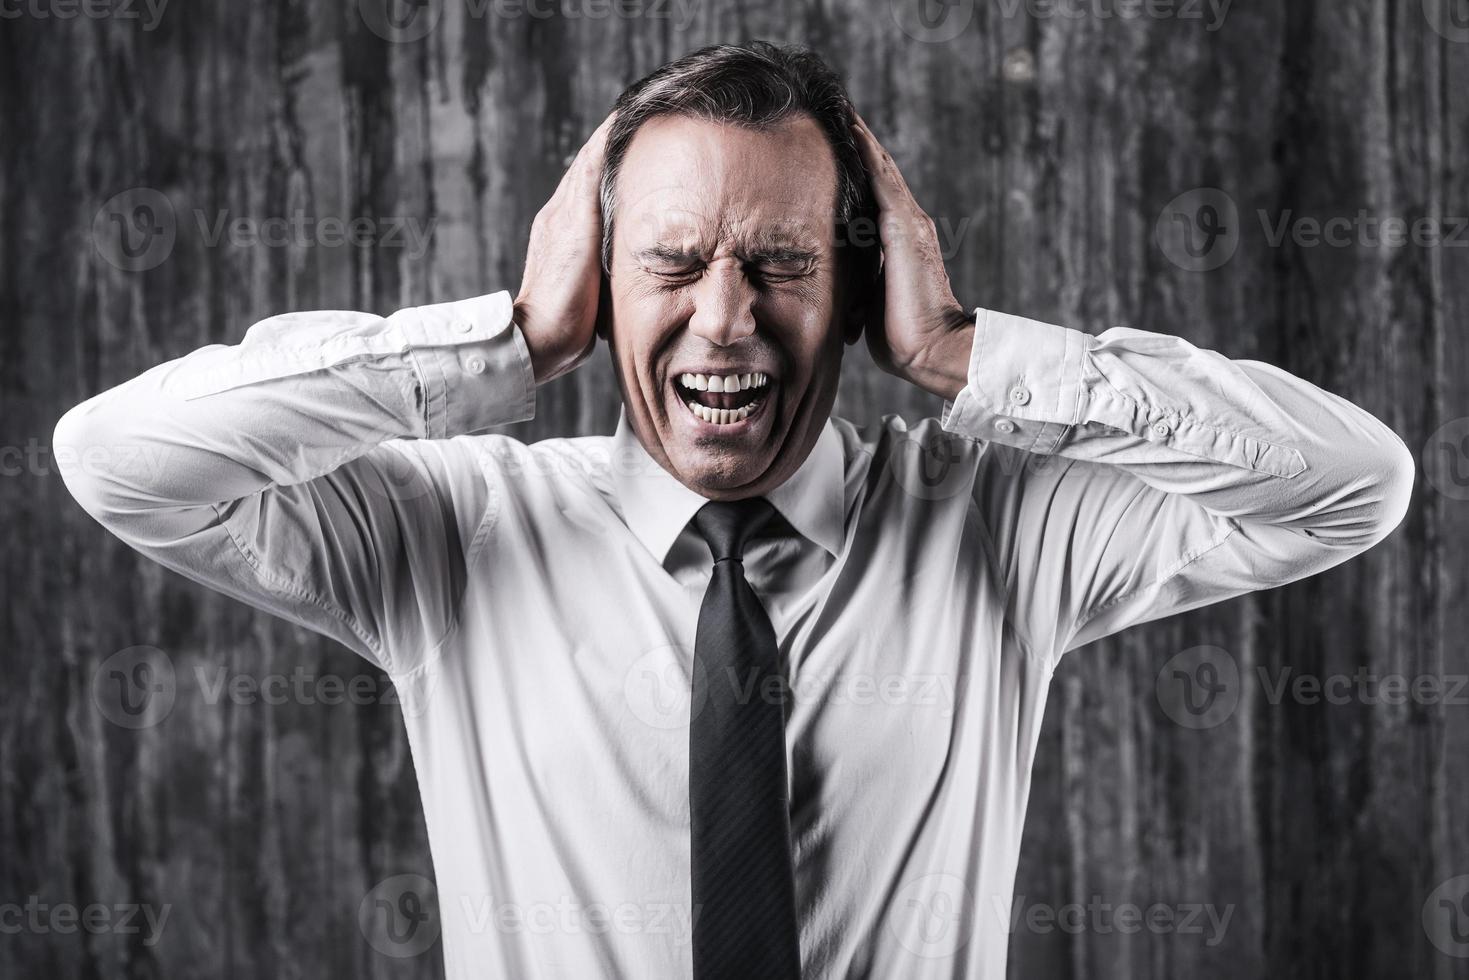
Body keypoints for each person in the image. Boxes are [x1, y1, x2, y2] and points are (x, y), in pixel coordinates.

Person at [54, 40, 1413, 980]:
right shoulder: (452, 538)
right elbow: (119, 459)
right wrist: (507, 344)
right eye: (669, 261)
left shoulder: (1000, 532)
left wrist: (961, 352)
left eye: (780, 260)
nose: (724, 316)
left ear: (857, 289)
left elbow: (1347, 483)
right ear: (598, 281)